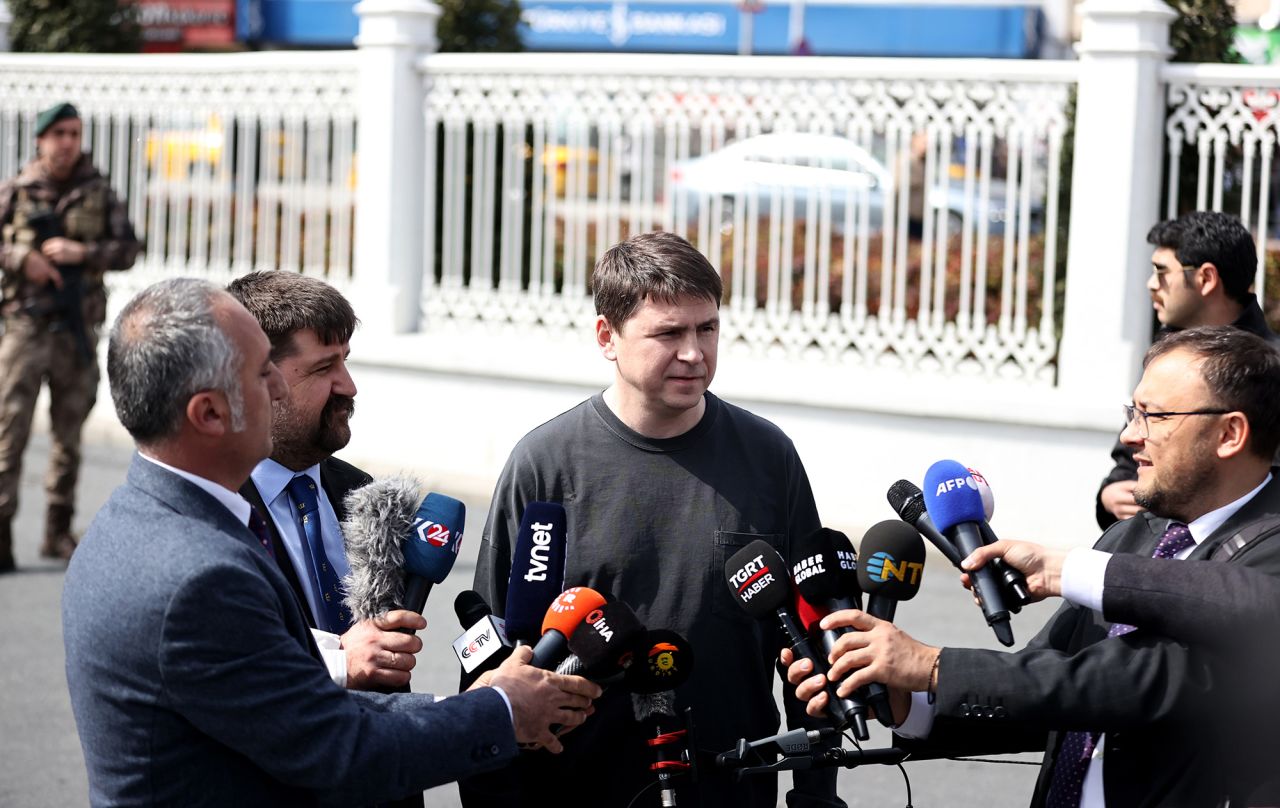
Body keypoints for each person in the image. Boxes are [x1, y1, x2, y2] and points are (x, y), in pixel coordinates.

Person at [63, 278, 601, 806]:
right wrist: (501, 711)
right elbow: (335, 745)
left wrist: (485, 701)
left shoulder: (138, 518)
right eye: (261, 374)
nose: (275, 388)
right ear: (208, 413)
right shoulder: (200, 576)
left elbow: (312, 711)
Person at [786, 326, 1280, 806]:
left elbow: (1114, 681)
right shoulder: (1134, 535)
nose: (1131, 436)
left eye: (1155, 416)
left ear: (1230, 433)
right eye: (1132, 412)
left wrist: (1062, 574)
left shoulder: (1267, 553)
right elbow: (1043, 688)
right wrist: (902, 690)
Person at [469, 231, 843, 808]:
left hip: (734, 788)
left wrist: (816, 793)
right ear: (606, 337)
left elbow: (810, 650)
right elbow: (493, 666)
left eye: (708, 328)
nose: (694, 353)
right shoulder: (542, 466)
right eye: (669, 333)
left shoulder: (769, 459)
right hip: (576, 788)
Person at [227, 270, 419, 694]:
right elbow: (228, 656)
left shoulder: (363, 494)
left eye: (346, 359)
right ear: (258, 379)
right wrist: (336, 662)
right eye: (323, 367)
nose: (348, 387)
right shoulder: (216, 507)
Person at [0, 101, 141, 571]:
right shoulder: (17, 190)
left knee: (69, 436)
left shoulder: (98, 192)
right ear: (40, 139)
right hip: (25, 327)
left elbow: (128, 249)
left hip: (77, 330)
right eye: (58, 133)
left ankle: (57, 531)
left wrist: (83, 252)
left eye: (74, 133)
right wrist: (24, 260)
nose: (66, 142)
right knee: (9, 431)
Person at [1096, 211, 1279, 529]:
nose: (1152, 285)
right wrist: (1110, 493)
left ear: (1206, 279)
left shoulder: (1272, 368)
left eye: (1162, 272)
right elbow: (1130, 452)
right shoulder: (1166, 354)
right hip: (1142, 550)